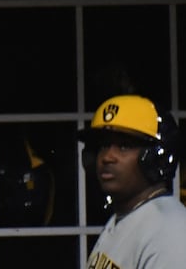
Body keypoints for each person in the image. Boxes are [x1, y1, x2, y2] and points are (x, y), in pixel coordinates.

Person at [79, 95, 186, 267]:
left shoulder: (170, 231)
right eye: (104, 146)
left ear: (154, 158)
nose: (107, 157)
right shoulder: (125, 216)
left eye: (124, 146)